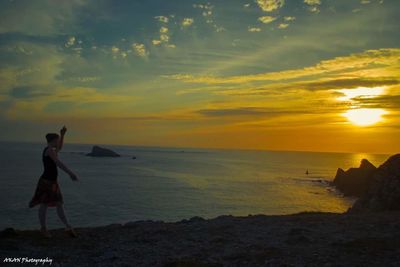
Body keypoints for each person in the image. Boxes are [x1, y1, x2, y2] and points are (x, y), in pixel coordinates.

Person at [29, 126, 79, 238]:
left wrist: (62, 135)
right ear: (53, 141)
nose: (58, 142)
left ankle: (67, 226)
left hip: (52, 182)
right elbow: (58, 163)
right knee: (44, 205)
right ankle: (44, 229)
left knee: (59, 204)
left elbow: (60, 148)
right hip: (46, 182)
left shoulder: (51, 150)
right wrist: (70, 173)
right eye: (57, 140)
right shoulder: (49, 151)